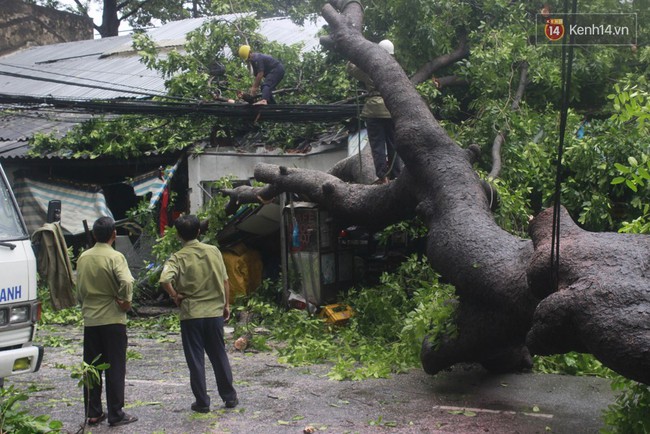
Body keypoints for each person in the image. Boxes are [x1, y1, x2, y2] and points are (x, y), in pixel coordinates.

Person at [159, 215, 238, 413]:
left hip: (191, 314)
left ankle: (202, 402)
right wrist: (226, 304)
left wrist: (175, 295)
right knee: (219, 355)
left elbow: (164, 279)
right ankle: (229, 397)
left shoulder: (177, 257)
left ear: (178, 235)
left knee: (195, 359)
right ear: (198, 232)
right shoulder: (213, 251)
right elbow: (225, 281)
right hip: (213, 312)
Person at [76, 216, 138, 427]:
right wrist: (125, 302)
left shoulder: (83, 257)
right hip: (113, 318)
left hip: (91, 320)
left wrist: (85, 304)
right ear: (114, 235)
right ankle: (115, 413)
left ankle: (93, 412)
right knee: (114, 367)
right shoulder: (115, 257)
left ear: (94, 235)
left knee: (92, 367)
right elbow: (127, 280)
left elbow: (79, 288)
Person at [347, 39, 403, 184]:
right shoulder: (396, 68)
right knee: (393, 144)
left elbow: (351, 68)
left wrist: (355, 52)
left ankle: (383, 177)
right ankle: (396, 176)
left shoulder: (370, 67)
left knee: (377, 145)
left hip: (373, 111)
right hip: (391, 109)